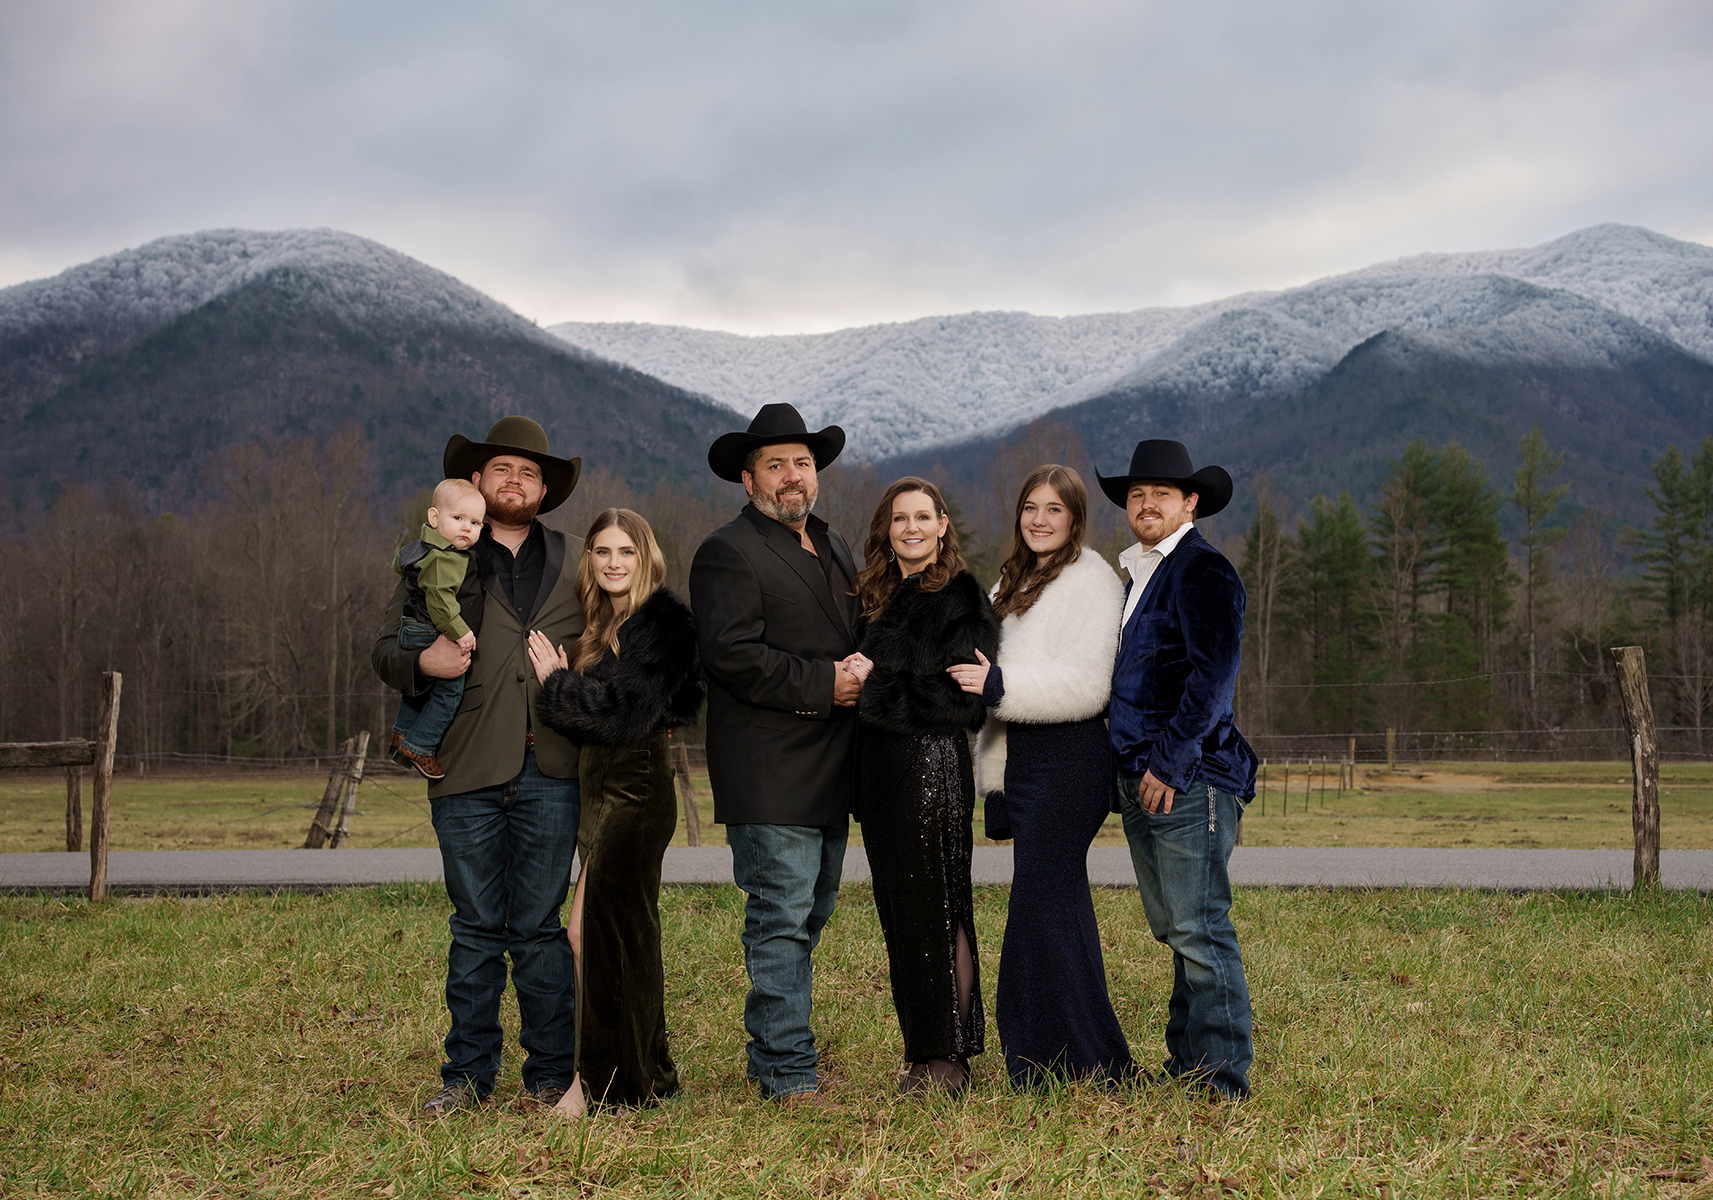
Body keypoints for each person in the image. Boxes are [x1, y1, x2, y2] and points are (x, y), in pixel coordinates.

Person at [371, 416, 587, 1116]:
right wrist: (419, 662)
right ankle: (465, 1078)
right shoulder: (436, 557)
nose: (514, 481)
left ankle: (553, 1075)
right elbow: (385, 646)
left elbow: (618, 646)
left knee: (540, 930)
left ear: (545, 487)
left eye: (527, 472)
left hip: (553, 769)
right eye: (501, 470)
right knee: (474, 928)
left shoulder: (582, 558)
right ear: (477, 482)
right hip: (462, 768)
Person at [688, 403, 865, 1106]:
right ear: (746, 477)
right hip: (768, 769)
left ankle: (777, 1053)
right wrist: (828, 683)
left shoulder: (834, 543)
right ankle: (787, 1070)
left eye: (802, 463)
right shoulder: (726, 550)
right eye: (775, 465)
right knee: (781, 917)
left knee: (810, 913)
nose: (792, 477)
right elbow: (730, 656)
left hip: (831, 764)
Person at [949, 464, 1134, 1088]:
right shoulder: (1015, 579)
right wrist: (995, 783)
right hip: (1024, 761)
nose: (1039, 519)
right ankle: (1046, 1061)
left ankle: (1091, 1061)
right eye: (1030, 506)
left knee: (1042, 907)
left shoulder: (1094, 581)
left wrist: (999, 685)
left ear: (1075, 518)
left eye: (1054, 509)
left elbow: (1089, 683)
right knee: (1050, 908)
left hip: (1071, 758)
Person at [1097, 438, 1257, 1101]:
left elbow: (1213, 678)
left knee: (1198, 925)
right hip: (1141, 776)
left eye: (1160, 494)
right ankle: (1186, 1062)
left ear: (1189, 502)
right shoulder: (1140, 574)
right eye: (1136, 495)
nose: (1145, 504)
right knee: (1175, 927)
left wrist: (1168, 761)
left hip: (1188, 775)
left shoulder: (1200, 569)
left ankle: (1220, 1080)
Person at [528, 508, 703, 1116]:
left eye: (625, 552)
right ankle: (647, 1072)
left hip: (636, 792)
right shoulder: (602, 625)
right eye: (601, 551)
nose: (612, 562)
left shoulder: (662, 622)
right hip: (598, 792)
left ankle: (598, 1085)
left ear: (645, 556)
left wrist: (556, 685)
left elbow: (626, 714)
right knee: (618, 935)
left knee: (597, 934)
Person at [850, 477, 998, 1095]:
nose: (910, 528)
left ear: (942, 525)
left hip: (931, 768)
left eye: (922, 517)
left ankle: (948, 1056)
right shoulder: (881, 595)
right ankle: (923, 1049)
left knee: (938, 905)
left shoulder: (960, 596)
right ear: (888, 529)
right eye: (899, 518)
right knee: (902, 914)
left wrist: (874, 685)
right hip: (883, 774)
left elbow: (964, 701)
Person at [390, 478, 487, 780]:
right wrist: (461, 632)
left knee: (420, 688)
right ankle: (420, 745)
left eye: (475, 522)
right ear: (434, 518)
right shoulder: (445, 558)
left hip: (411, 627)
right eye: (458, 518)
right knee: (449, 691)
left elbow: (398, 564)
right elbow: (442, 601)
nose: (467, 528)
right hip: (431, 630)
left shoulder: (420, 548)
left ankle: (402, 732)